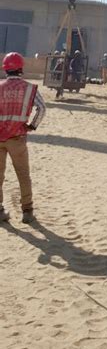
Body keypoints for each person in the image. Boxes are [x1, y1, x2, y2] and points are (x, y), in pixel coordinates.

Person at [0, 52, 45, 224]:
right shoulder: (29, 88)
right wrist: (32, 126)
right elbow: (42, 108)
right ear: (21, 69)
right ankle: (27, 211)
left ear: (5, 69)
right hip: (18, 138)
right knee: (23, 175)